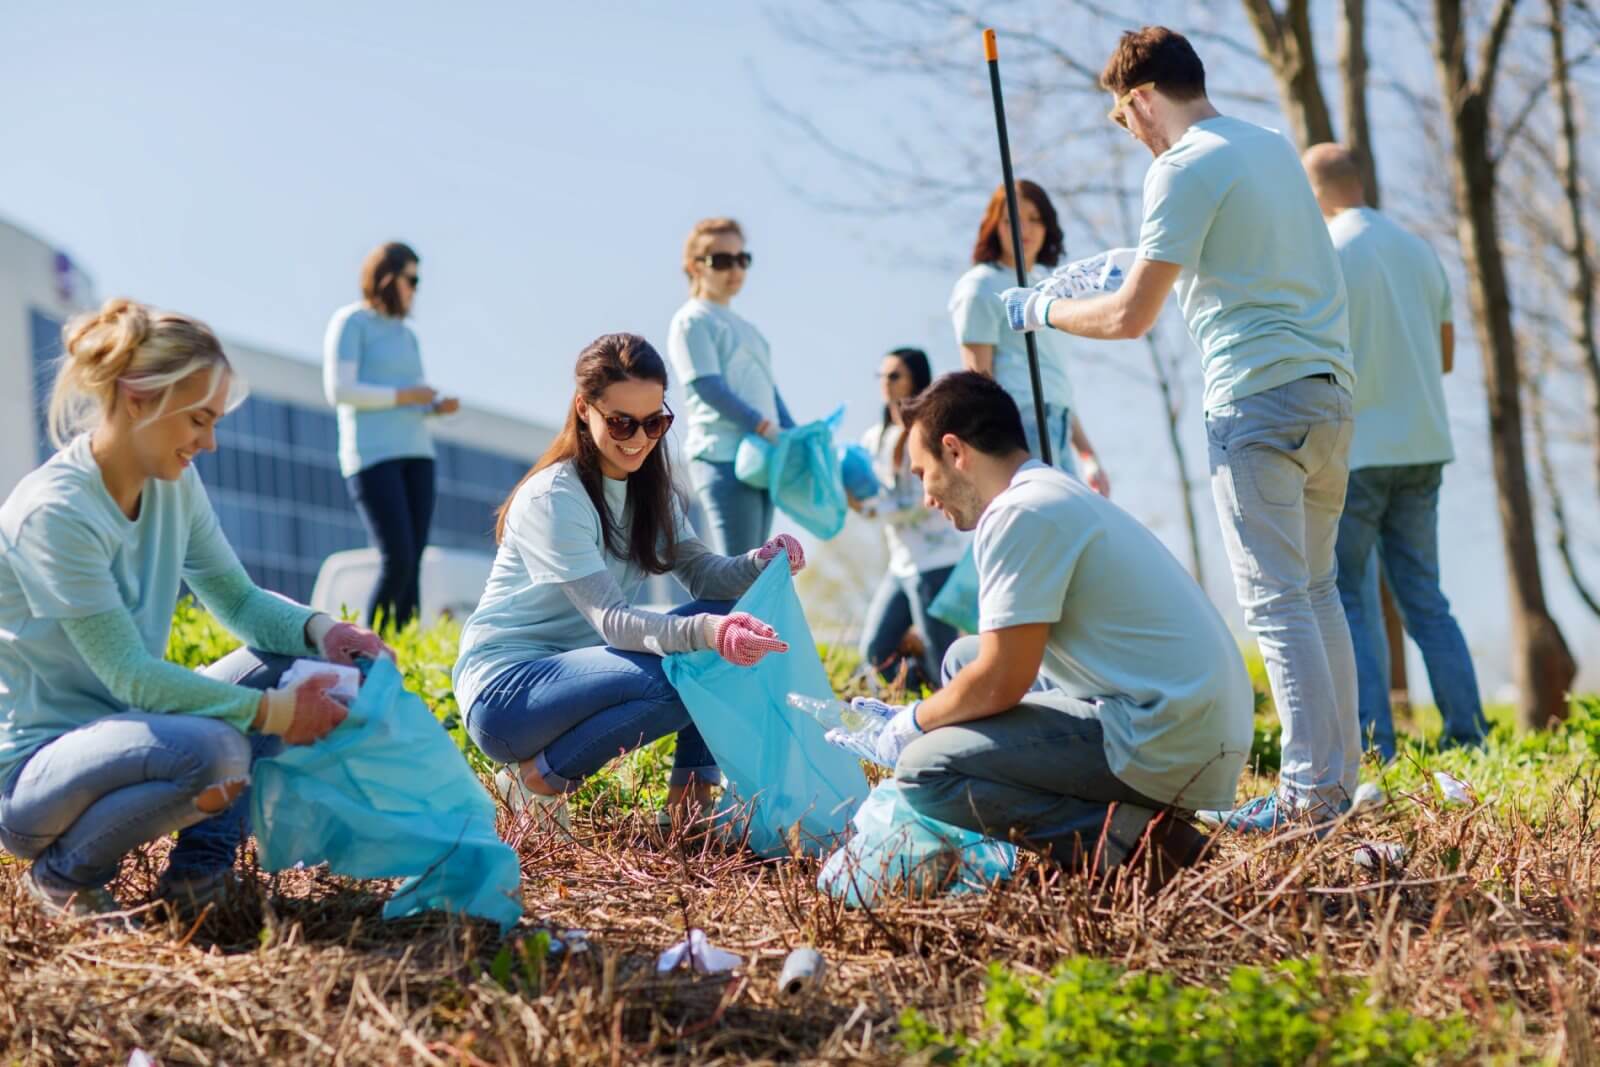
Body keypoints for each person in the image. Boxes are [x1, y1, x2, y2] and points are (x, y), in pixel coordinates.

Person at [1000, 27, 1358, 832]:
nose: (1128, 137)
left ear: (1141, 99)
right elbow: (1234, 254)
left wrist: (1042, 310)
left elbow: (1130, 319)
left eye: (1121, 120)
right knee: (1318, 590)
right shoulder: (1266, 143)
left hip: (1256, 401)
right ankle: (1336, 788)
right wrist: (1132, 253)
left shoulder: (1180, 165)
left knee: (1276, 602)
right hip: (1329, 394)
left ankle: (1306, 800)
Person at [0, 299, 390, 920]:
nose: (208, 444)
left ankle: (197, 883)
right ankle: (65, 878)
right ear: (136, 399)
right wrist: (276, 712)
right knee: (218, 752)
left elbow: (235, 599)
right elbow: (129, 674)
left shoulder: (173, 484)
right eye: (198, 421)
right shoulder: (56, 512)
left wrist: (326, 632)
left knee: (310, 664)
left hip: (138, 727)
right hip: (36, 774)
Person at [827, 372, 1252, 886]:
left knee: (926, 770)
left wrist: (914, 722)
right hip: (1185, 718)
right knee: (963, 658)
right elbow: (989, 667)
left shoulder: (1019, 513)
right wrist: (934, 716)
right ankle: (1122, 825)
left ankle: (1141, 843)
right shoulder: (1047, 493)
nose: (926, 497)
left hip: (1167, 734)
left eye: (922, 473)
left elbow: (1001, 681)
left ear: (955, 451)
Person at [453, 332, 805, 827]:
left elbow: (704, 574)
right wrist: (706, 635)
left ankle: (690, 806)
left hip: (582, 677)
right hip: (508, 697)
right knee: (687, 670)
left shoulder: (651, 493)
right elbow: (614, 621)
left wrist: (758, 562)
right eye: (620, 423)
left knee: (729, 620)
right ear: (584, 409)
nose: (639, 439)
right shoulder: (554, 498)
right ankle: (535, 779)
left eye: (655, 421)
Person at [1302, 143, 1487, 761]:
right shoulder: (1420, 250)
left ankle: (1375, 745)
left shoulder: (1325, 253)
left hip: (1357, 450)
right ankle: (1470, 736)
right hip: (1425, 445)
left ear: (1319, 190)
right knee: (1425, 598)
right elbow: (1446, 357)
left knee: (1349, 594)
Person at [323, 241, 460, 630]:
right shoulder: (352, 323)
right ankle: (371, 649)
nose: (415, 289)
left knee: (413, 560)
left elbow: (413, 396)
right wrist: (405, 395)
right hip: (372, 457)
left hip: (417, 453)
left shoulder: (407, 336)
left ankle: (405, 652)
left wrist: (434, 406)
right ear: (387, 277)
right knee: (396, 557)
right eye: (411, 279)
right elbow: (340, 391)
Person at [949, 181, 1109, 490]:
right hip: (1018, 425)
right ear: (995, 226)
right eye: (1011, 220)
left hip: (1057, 424)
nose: (1025, 229)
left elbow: (1054, 381)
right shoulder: (981, 286)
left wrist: (1088, 455)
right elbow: (979, 382)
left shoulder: (1050, 290)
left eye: (1035, 218)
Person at [667, 218, 796, 556]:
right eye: (722, 260)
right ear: (695, 266)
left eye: (742, 259)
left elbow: (770, 391)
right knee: (738, 570)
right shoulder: (692, 319)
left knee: (756, 570)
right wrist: (762, 425)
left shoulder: (749, 328)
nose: (735, 269)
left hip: (763, 457)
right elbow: (707, 386)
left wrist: (794, 434)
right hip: (722, 456)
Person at [855, 348, 968, 689]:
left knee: (943, 658)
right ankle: (925, 704)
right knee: (875, 651)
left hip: (935, 560)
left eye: (895, 376)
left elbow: (928, 495)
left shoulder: (928, 431)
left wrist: (875, 509)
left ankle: (957, 716)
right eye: (882, 376)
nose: (886, 384)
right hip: (900, 563)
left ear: (914, 380)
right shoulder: (873, 437)